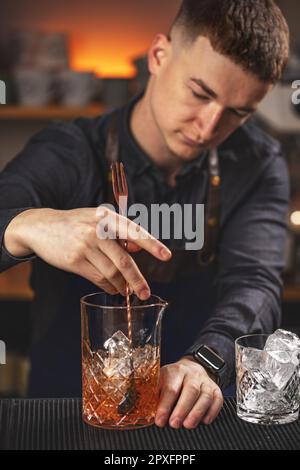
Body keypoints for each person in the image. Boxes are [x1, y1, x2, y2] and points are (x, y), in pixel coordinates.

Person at [0, 0, 290, 429]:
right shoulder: (71, 150)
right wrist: (27, 225)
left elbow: (255, 283)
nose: (208, 128)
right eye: (200, 93)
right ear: (159, 56)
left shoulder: (257, 164)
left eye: (238, 112)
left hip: (190, 417)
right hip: (66, 412)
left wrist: (205, 363)